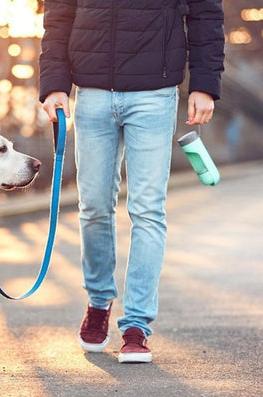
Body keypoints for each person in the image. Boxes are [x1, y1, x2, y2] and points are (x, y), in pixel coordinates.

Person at [39, 0, 225, 363]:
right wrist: (54, 85)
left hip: (154, 95)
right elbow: (58, 15)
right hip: (91, 94)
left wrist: (204, 84)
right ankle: (98, 302)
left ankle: (137, 325)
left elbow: (206, 14)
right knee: (92, 207)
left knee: (147, 210)